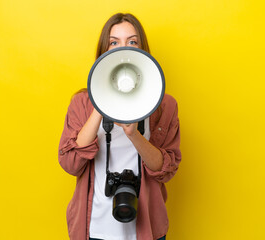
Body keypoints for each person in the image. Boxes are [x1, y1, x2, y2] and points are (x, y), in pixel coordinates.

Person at [58, 13, 181, 240]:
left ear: (143, 49)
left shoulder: (164, 105)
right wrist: (101, 97)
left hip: (146, 230)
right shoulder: (81, 103)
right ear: (104, 51)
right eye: (114, 42)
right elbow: (70, 163)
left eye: (132, 41)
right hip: (94, 228)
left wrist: (134, 135)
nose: (123, 48)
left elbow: (166, 171)